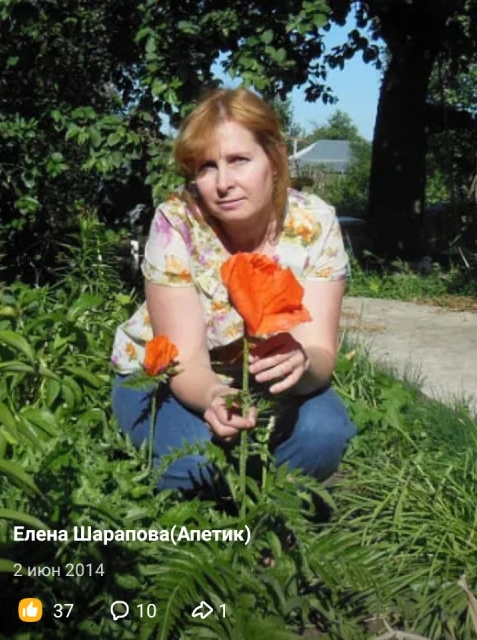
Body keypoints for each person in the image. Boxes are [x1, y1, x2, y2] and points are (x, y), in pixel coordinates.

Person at [111, 87, 356, 491]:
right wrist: (214, 398)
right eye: (206, 167)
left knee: (323, 435)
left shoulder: (315, 223)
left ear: (274, 161)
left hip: (266, 383)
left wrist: (302, 365)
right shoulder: (177, 222)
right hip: (166, 376)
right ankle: (221, 529)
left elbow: (320, 354)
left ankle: (265, 510)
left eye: (239, 160)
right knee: (194, 465)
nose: (222, 183)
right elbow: (185, 358)